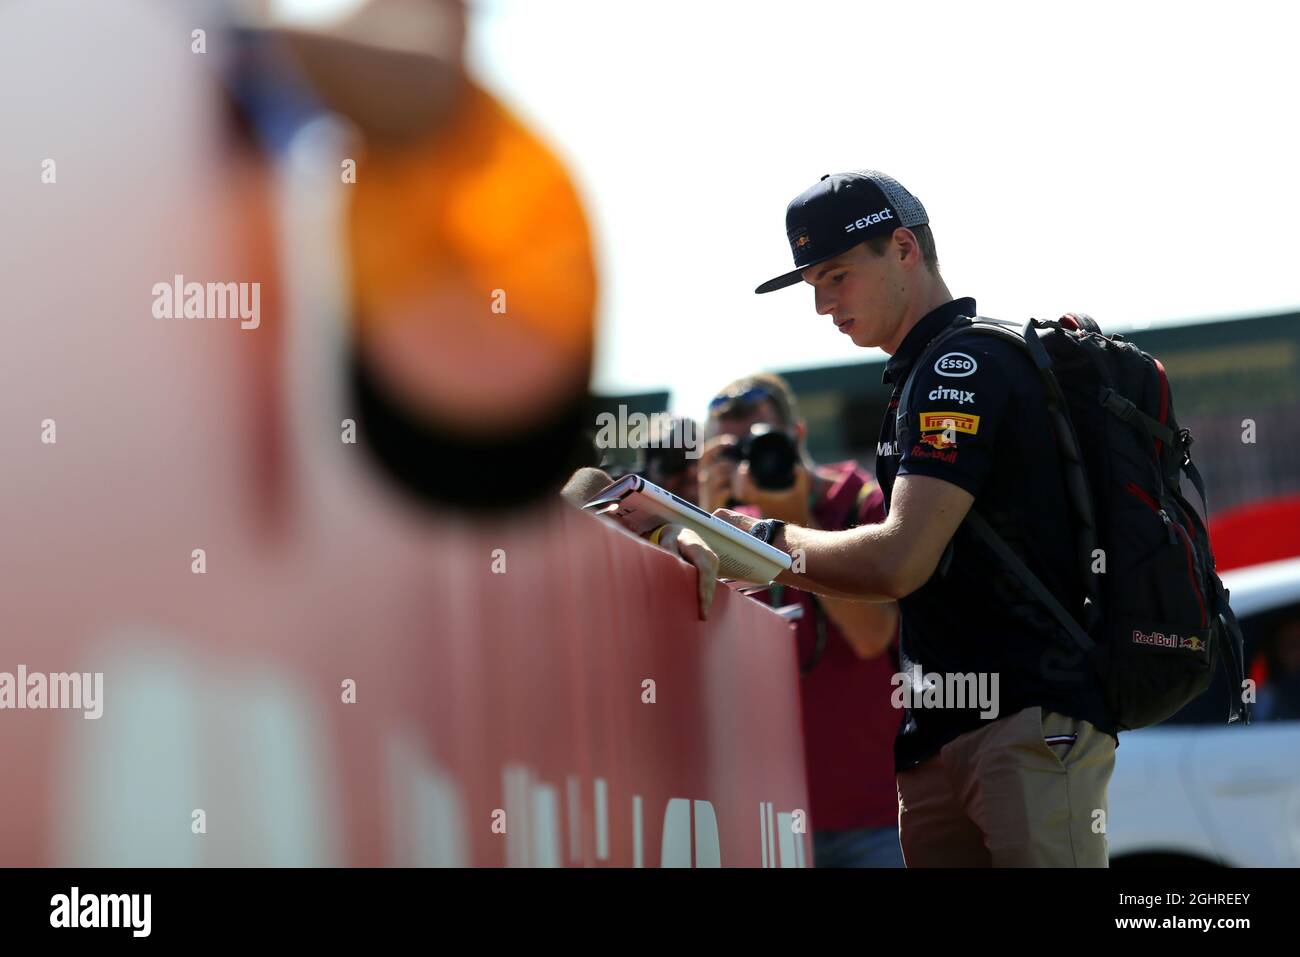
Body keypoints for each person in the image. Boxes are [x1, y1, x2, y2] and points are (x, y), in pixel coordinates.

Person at [712, 170, 1118, 867]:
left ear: (904, 247)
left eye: (835, 276)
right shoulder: (917, 375)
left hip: (1023, 723)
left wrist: (761, 540)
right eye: (811, 285)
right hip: (942, 736)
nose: (822, 305)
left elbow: (900, 560)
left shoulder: (962, 362)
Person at [701, 373, 903, 866]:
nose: (754, 460)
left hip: (876, 813)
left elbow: (872, 638)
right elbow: (707, 657)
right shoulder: (734, 525)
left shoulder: (866, 502)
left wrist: (789, 526)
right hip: (775, 819)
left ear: (798, 436)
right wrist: (706, 517)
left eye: (762, 441)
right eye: (734, 451)